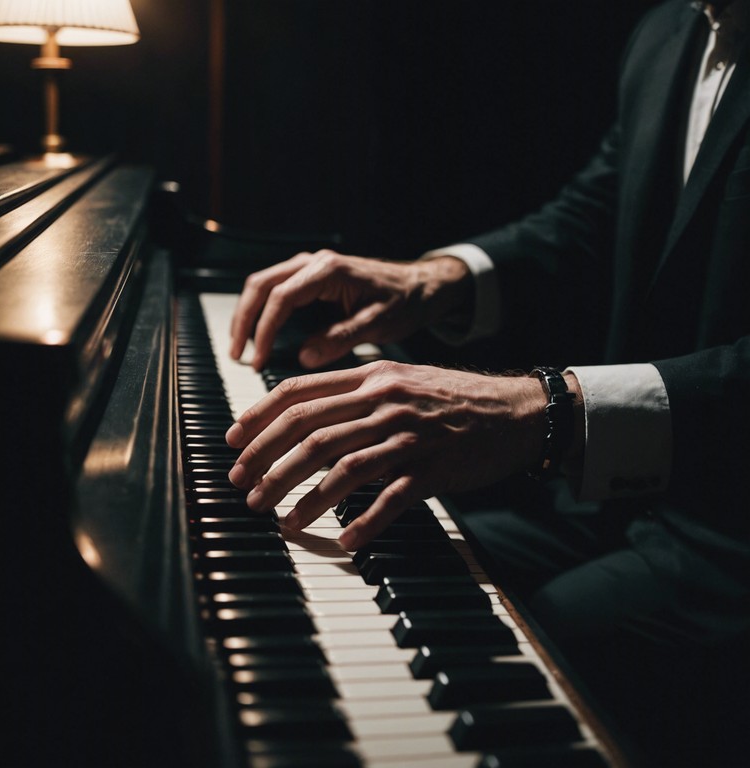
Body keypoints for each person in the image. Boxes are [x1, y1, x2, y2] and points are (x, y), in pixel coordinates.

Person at [225, 1, 750, 764]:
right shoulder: (671, 29)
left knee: (550, 629)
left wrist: (548, 408)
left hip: (727, 532)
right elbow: (596, 213)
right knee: (391, 549)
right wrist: (434, 276)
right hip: (611, 501)